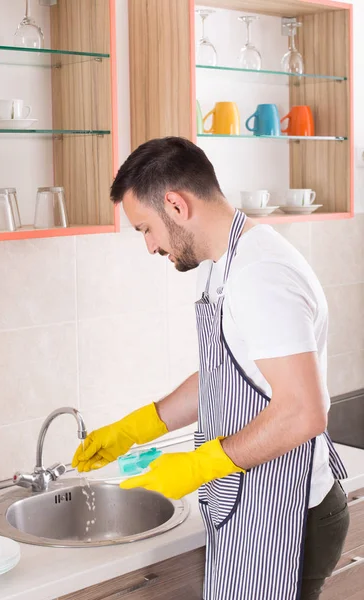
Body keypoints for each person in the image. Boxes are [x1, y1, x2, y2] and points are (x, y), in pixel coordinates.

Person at [72, 137, 350, 600]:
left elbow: (305, 412)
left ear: (176, 205)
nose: (149, 246)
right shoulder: (220, 261)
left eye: (145, 229)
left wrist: (200, 465)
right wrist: (138, 426)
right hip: (256, 505)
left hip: (292, 517)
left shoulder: (260, 275)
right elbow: (226, 372)